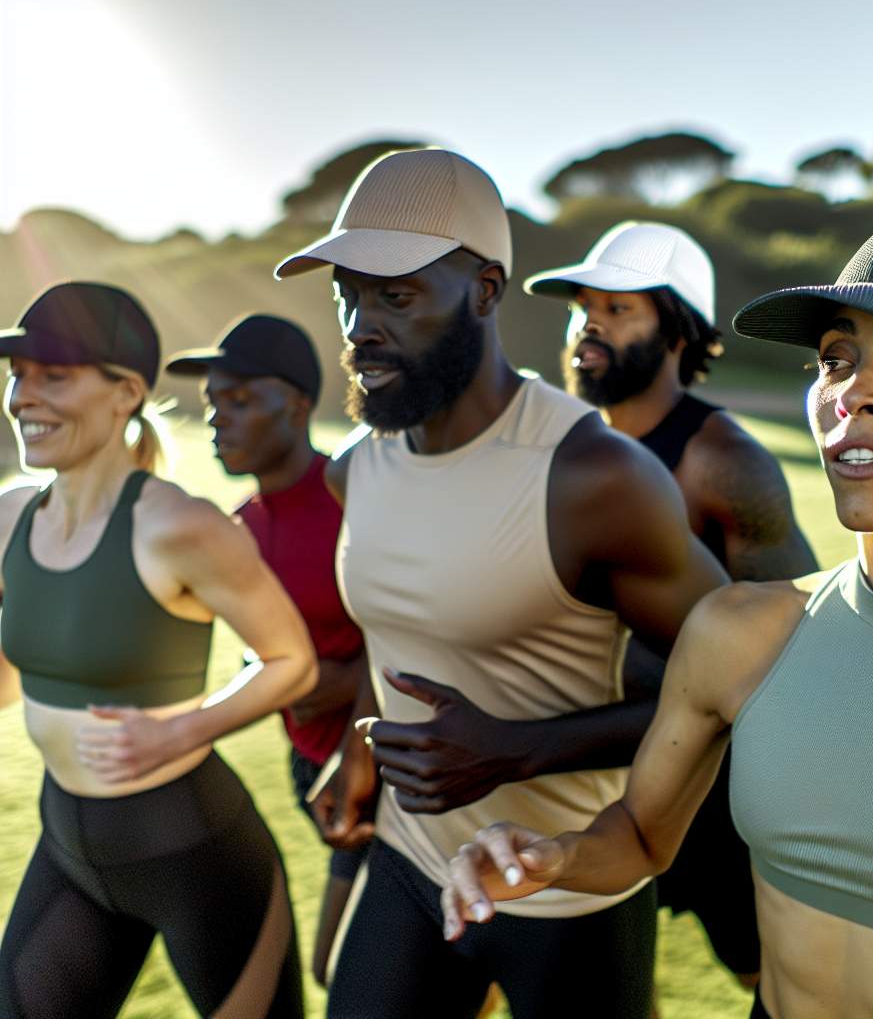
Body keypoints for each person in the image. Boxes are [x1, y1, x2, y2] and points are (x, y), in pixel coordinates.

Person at [442, 199, 873, 1019]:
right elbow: (642, 838)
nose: (853, 390)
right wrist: (557, 855)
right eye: (834, 358)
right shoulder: (740, 632)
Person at [274, 147, 728, 1018]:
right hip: (408, 865)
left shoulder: (594, 477)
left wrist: (517, 749)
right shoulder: (355, 472)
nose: (361, 325)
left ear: (484, 290)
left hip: (565, 889)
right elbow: (399, 632)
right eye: (349, 295)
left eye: (395, 295)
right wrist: (358, 744)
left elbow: (730, 683)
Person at [0, 282, 316, 1019]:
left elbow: (291, 659)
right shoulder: (11, 517)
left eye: (53, 376)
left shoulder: (182, 526)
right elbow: (14, 672)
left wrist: (182, 728)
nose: (22, 397)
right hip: (69, 851)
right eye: (18, 375)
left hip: (195, 851)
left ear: (125, 393)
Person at [525, 221, 817, 987]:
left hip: (707, 785)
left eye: (619, 309)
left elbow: (797, 640)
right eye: (582, 306)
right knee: (576, 970)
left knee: (770, 977)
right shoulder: (560, 448)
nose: (588, 322)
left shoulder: (723, 462)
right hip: (579, 773)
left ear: (679, 330)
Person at [165, 314, 369, 986]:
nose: (219, 418)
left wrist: (338, 681)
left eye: (241, 400)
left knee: (342, 973)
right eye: (214, 403)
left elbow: (431, 635)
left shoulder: (357, 499)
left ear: (300, 403)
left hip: (388, 769)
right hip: (309, 770)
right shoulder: (233, 532)